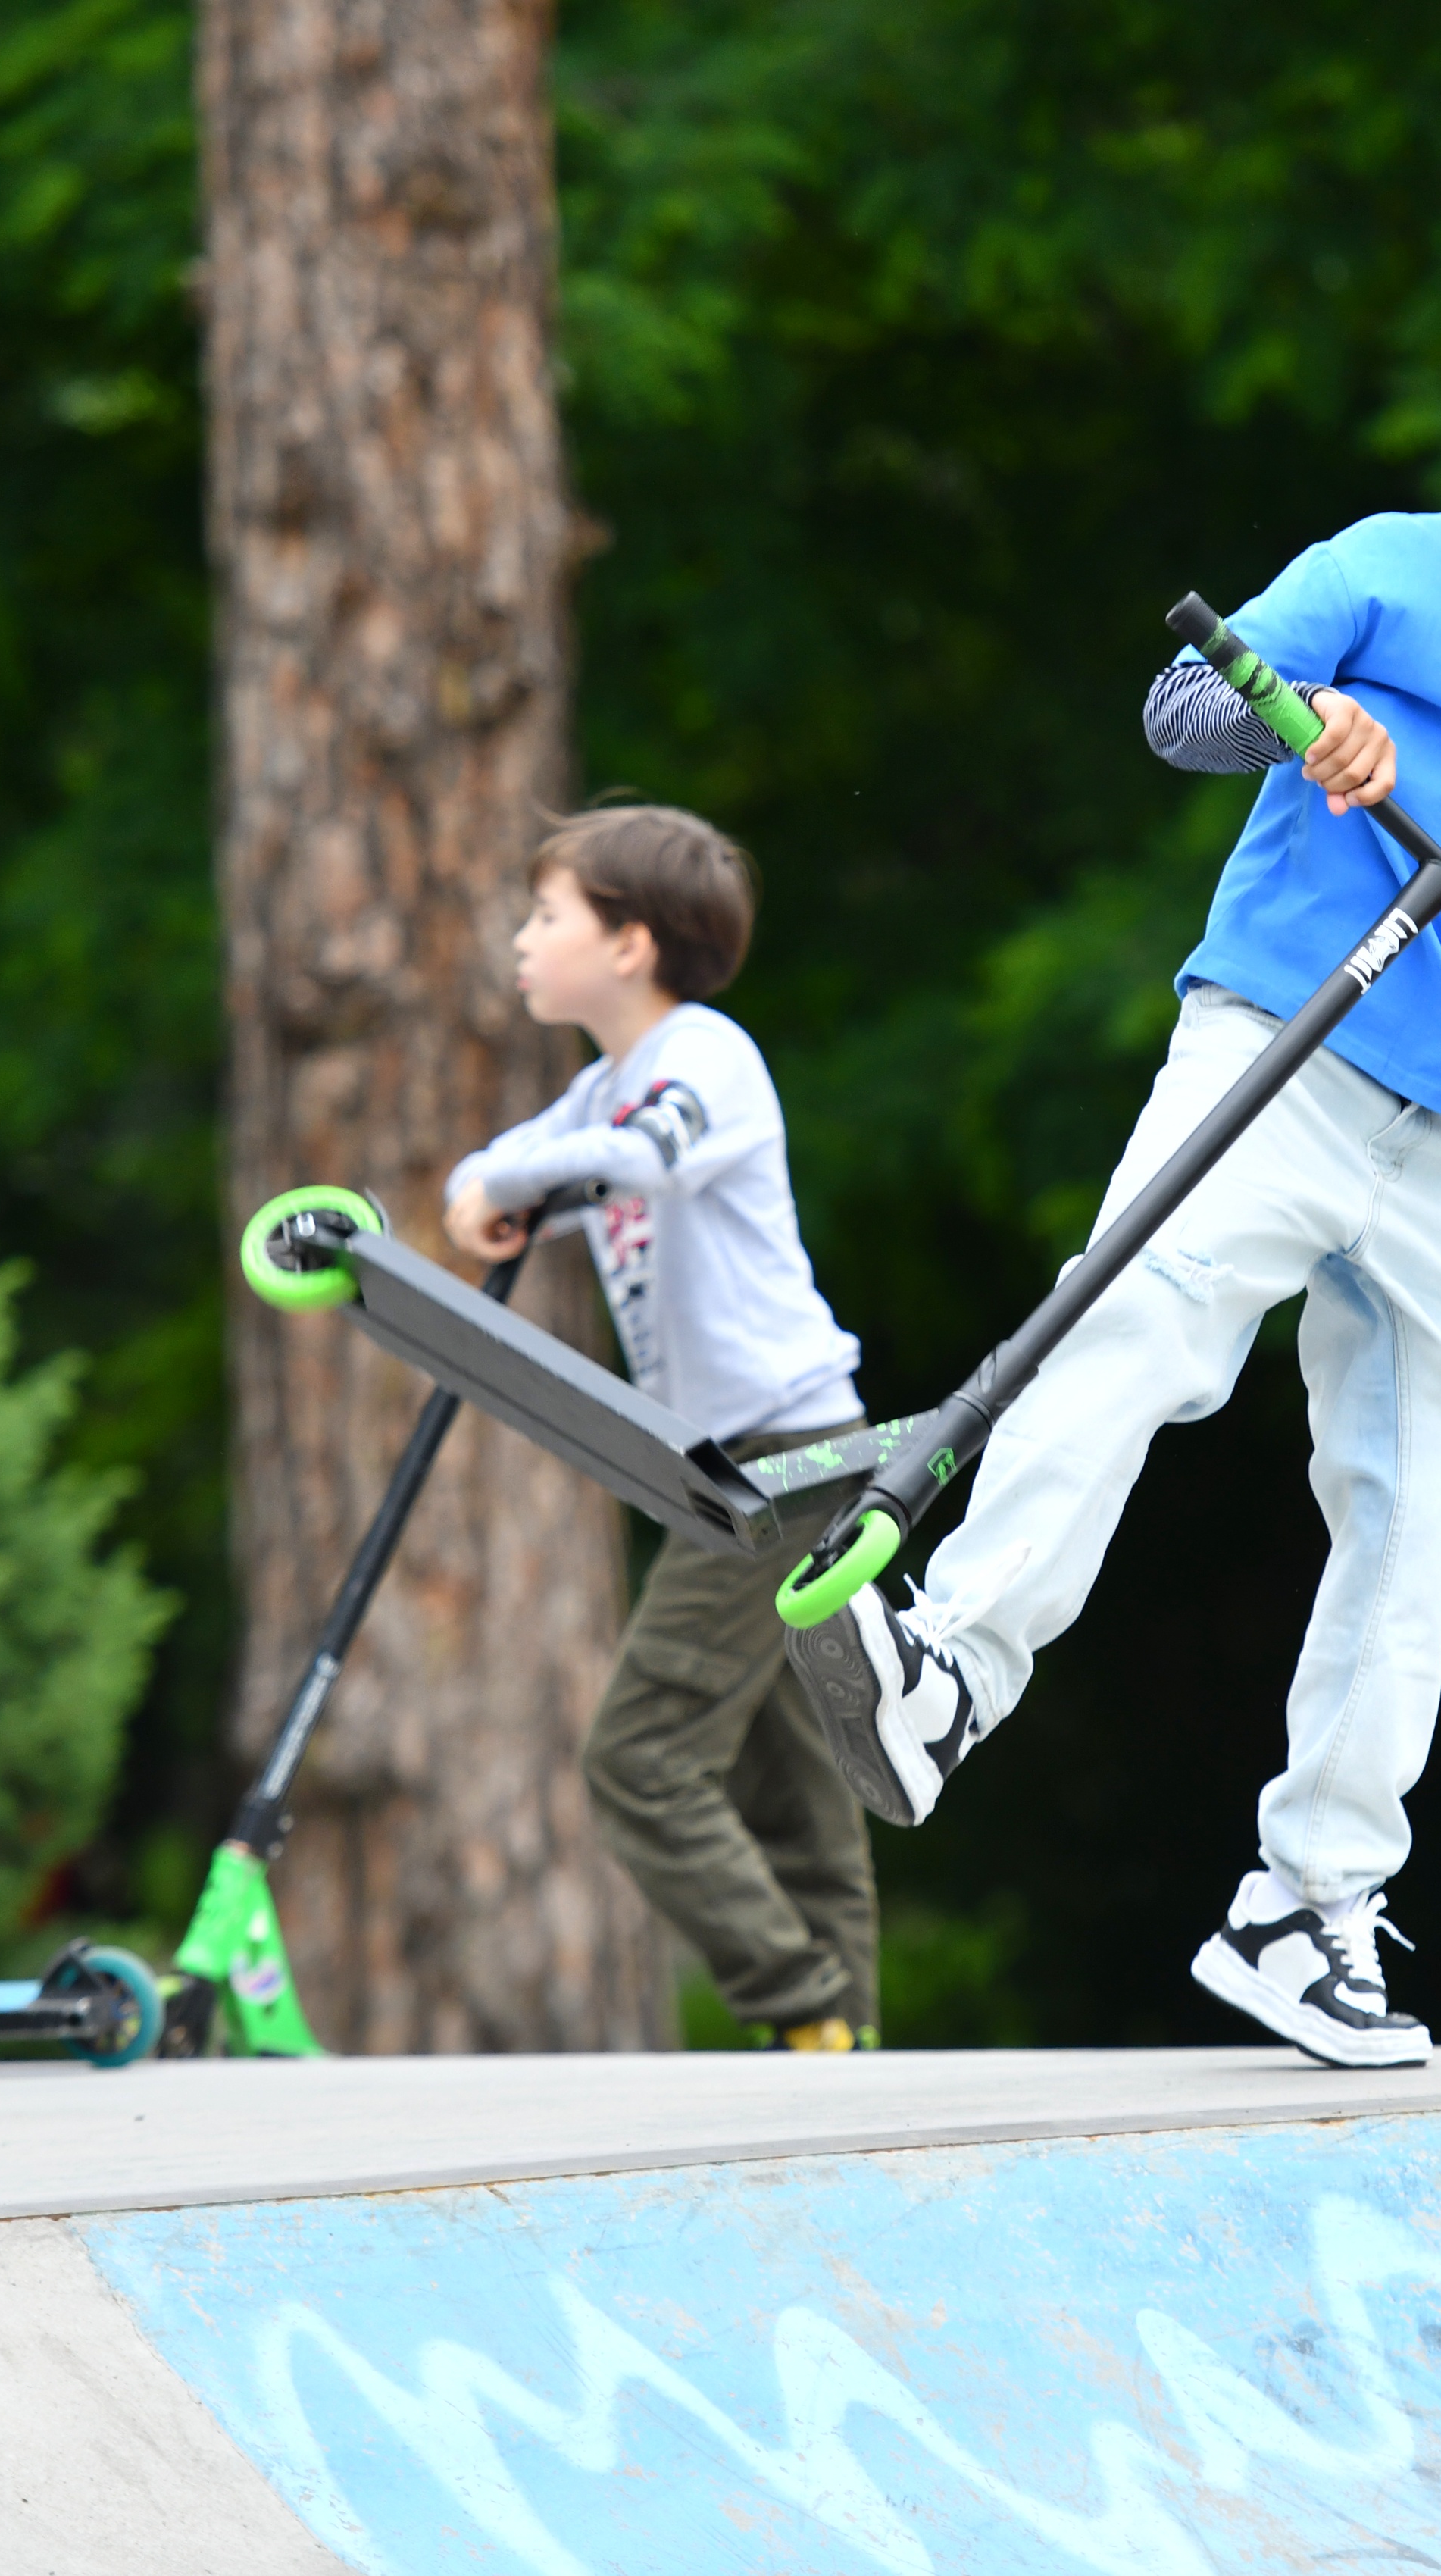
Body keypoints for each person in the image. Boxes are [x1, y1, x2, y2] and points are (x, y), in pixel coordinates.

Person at [788, 211, 1441, 2069]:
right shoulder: (1381, 568)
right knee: (1137, 1320)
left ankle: (1306, 1904)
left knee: (1433, 1493)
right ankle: (942, 1667)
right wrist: (1294, 721)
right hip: (1278, 1044)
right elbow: (1179, 705)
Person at [445, 807, 882, 2050]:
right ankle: (845, 2058)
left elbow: (640, 1163)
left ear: (629, 943)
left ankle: (798, 2011)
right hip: (748, 1462)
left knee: (639, 1760)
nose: (523, 941)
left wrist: (511, 1185)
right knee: (794, 1781)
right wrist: (491, 1186)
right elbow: (493, 1171)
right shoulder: (603, 1082)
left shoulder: (706, 1058)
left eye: (547, 917)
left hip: (787, 1458)